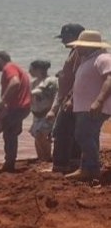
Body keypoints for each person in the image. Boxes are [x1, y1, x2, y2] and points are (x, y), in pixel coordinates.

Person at [63, 31, 111, 181]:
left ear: (88, 46)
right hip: (85, 106)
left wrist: (99, 100)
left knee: (82, 135)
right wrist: (72, 100)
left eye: (80, 45)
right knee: (89, 135)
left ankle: (92, 168)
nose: (77, 48)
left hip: (95, 106)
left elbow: (109, 78)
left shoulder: (103, 58)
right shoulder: (87, 60)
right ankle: (87, 168)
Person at [0, 51, 31, 173]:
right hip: (23, 108)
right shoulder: (19, 68)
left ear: (0, 60)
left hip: (15, 108)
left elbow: (15, 82)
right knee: (10, 134)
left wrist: (3, 102)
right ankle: (9, 163)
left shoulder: (9, 67)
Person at [47, 23, 85, 173]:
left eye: (65, 38)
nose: (62, 41)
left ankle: (60, 166)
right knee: (73, 131)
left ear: (74, 36)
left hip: (71, 97)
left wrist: (71, 98)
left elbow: (80, 78)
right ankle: (73, 162)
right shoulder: (77, 52)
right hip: (72, 97)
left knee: (61, 131)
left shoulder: (78, 53)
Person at [28, 60, 58, 162]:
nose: (29, 71)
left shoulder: (51, 81)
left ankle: (47, 157)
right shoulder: (33, 83)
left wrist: (53, 111)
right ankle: (41, 158)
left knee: (41, 135)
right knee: (37, 136)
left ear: (38, 69)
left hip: (47, 113)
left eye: (31, 69)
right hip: (36, 114)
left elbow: (56, 97)